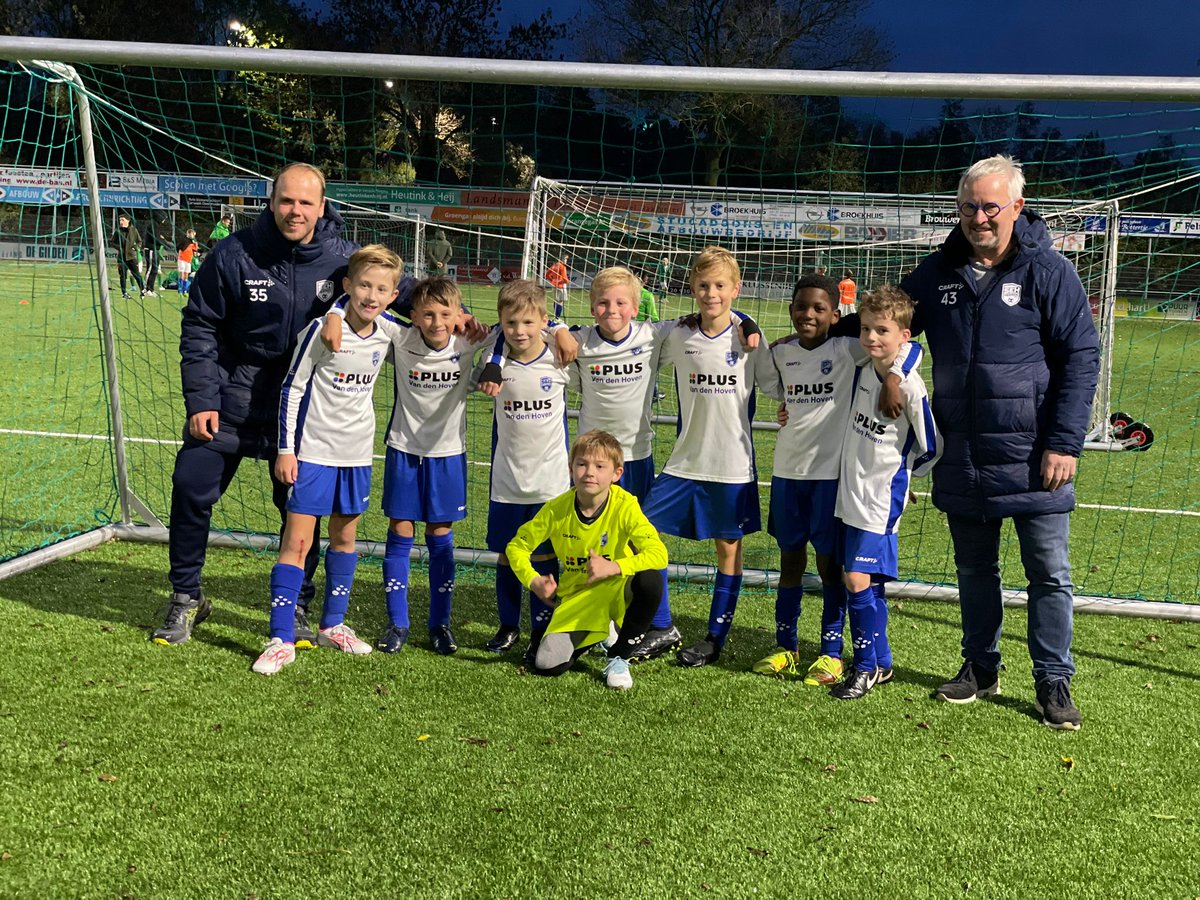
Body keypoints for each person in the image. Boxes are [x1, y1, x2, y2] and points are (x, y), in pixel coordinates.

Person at [899, 155, 1099, 729]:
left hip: (1036, 456)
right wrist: (812, 332)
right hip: (963, 452)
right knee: (973, 571)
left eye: (991, 206)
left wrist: (1064, 442)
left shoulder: (1050, 271)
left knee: (1048, 573)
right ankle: (980, 668)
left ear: (1016, 206)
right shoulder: (936, 273)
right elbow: (887, 320)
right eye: (969, 206)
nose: (979, 217)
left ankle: (1053, 681)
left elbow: (1081, 357)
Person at [152, 162, 358, 647]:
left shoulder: (343, 259)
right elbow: (199, 324)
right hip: (230, 400)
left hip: (303, 411)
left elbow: (399, 286)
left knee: (299, 507)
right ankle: (185, 598)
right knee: (191, 484)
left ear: (322, 206)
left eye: (306, 203)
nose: (296, 211)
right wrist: (202, 398)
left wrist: (456, 312)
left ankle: (297, 604)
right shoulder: (233, 254)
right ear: (271, 202)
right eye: (287, 201)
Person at [753, 274, 921, 685]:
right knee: (789, 563)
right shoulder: (783, 353)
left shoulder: (849, 350)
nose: (808, 315)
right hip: (788, 475)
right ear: (790, 309)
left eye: (818, 308)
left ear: (834, 313)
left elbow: (909, 347)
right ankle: (786, 647)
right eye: (801, 307)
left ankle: (831, 652)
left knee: (831, 569)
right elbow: (776, 391)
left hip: (832, 480)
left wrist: (896, 378)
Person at [252, 245, 402, 675]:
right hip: (314, 453)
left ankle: (332, 624)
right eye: (365, 286)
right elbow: (292, 389)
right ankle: (280, 637)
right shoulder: (321, 329)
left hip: (357, 455)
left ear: (393, 295)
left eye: (382, 289)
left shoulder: (390, 331)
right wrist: (286, 449)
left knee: (345, 541)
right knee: (297, 544)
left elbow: (433, 329)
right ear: (348, 286)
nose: (372, 296)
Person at [640, 246, 773, 667]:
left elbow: (775, 384)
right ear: (692, 288)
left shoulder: (749, 338)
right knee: (642, 531)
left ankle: (715, 638)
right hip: (684, 462)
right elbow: (627, 334)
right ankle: (662, 624)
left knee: (727, 550)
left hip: (732, 464)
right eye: (703, 285)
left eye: (719, 285)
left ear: (736, 288)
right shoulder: (677, 334)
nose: (710, 293)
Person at [365, 277, 498, 655]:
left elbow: (516, 324)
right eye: (427, 314)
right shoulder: (402, 338)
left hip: (448, 455)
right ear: (414, 316)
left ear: (459, 315)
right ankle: (398, 623)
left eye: (445, 313)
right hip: (403, 450)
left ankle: (440, 624)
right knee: (400, 530)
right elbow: (364, 305)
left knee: (440, 536)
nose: (437, 322)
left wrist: (487, 338)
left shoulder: (468, 341)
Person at [828, 285, 940, 700]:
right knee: (867, 583)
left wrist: (908, 479)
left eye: (882, 332)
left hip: (879, 497)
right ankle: (884, 660)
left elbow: (932, 446)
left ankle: (865, 667)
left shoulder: (911, 389)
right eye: (867, 330)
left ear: (903, 337)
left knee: (854, 579)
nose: (872, 338)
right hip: (849, 491)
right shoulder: (862, 367)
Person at [506, 430, 669, 690]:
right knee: (548, 664)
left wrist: (613, 567)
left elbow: (659, 554)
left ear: (616, 474)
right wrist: (533, 581)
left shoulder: (626, 505)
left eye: (600, 466)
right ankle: (597, 633)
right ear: (571, 469)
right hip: (578, 599)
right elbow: (516, 547)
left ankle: (620, 656)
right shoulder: (556, 509)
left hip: (618, 591)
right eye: (582, 464)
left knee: (650, 580)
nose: (589, 472)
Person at [474, 279, 571, 659]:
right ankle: (508, 624)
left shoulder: (559, 361)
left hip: (550, 483)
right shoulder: (493, 364)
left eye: (529, 323)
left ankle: (543, 627)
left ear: (544, 322)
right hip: (507, 480)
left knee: (545, 555)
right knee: (506, 553)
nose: (520, 331)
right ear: (501, 323)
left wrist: (561, 330)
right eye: (511, 323)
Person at [112, 212, 146, 299]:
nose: (121, 222)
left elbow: (139, 241)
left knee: (137, 275)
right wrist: (119, 248)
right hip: (121, 257)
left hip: (131, 257)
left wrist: (136, 247)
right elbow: (112, 242)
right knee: (122, 276)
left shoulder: (134, 230)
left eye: (122, 220)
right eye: (120, 220)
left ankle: (142, 291)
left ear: (128, 220)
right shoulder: (118, 231)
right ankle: (124, 293)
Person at [142, 210, 169, 297]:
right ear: (159, 217)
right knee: (150, 269)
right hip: (150, 250)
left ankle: (151, 289)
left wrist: (164, 242)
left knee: (155, 270)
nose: (164, 221)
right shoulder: (152, 225)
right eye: (164, 218)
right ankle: (145, 289)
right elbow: (156, 238)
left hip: (155, 250)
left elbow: (158, 238)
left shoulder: (156, 225)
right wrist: (165, 243)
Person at [175, 228, 199, 296]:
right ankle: (180, 289)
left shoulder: (193, 242)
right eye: (193, 234)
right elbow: (179, 247)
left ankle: (184, 290)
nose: (194, 236)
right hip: (182, 259)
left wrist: (195, 245)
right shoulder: (184, 240)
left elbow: (195, 250)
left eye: (194, 235)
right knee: (182, 274)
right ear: (189, 233)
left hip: (188, 260)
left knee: (186, 275)